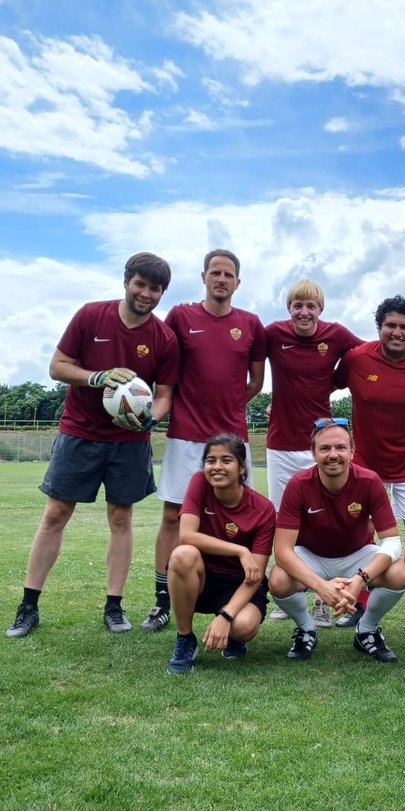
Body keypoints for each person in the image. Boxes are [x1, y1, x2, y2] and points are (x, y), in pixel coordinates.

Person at [5, 252, 179, 638]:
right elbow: (58, 367)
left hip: (129, 441)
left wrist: (151, 417)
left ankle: (114, 606)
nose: (146, 294)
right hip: (79, 433)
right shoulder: (90, 316)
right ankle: (28, 607)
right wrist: (97, 377)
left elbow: (164, 395)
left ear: (162, 292)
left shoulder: (164, 338)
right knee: (55, 514)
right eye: (140, 284)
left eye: (155, 288)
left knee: (121, 518)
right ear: (126, 282)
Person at [147, 249, 266, 633]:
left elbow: (256, 382)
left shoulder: (250, 323)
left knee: (235, 515)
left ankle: (229, 594)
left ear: (237, 282)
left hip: (232, 440)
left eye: (228, 274)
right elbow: (163, 367)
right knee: (172, 516)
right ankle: (163, 599)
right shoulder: (181, 316)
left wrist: (230, 406)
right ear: (203, 277)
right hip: (185, 435)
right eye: (215, 272)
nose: (221, 279)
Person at [334, 295, 405, 631]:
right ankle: (361, 601)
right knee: (363, 528)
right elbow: (324, 383)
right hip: (366, 462)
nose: (397, 332)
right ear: (379, 328)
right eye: (391, 325)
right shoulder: (357, 359)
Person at [263, 279, 364, 628]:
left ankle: (324, 597)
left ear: (321, 309)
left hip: (321, 444)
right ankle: (290, 595)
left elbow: (369, 355)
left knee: (320, 521)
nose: (304, 312)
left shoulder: (336, 335)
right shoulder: (273, 334)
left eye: (311, 306)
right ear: (288, 308)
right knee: (284, 522)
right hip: (280, 443)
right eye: (297, 305)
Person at [268, 418, 405, 662]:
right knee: (278, 578)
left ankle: (366, 630)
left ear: (352, 451)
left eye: (341, 448)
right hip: (312, 556)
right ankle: (305, 628)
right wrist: (321, 587)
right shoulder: (298, 484)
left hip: (356, 555)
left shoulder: (369, 480)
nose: (333, 455)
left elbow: (393, 542)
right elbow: (282, 551)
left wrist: (359, 579)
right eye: (324, 448)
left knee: (399, 573)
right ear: (313, 453)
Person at [165, 434, 276, 674]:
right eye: (210, 460)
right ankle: (185, 638)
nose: (216, 467)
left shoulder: (263, 509)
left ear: (242, 468)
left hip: (240, 583)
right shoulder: (199, 483)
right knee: (183, 554)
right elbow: (187, 535)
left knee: (244, 626)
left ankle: (234, 637)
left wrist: (226, 616)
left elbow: (255, 575)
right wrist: (240, 550)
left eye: (226, 460)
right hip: (204, 577)